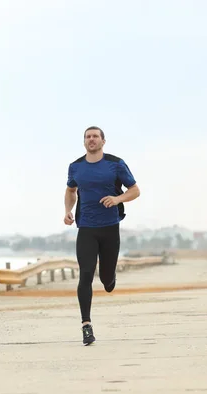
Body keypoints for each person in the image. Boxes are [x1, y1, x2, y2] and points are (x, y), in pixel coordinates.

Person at [64, 126, 140, 345]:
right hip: (86, 228)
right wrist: (67, 211)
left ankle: (110, 277)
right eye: (88, 137)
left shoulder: (115, 164)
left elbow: (135, 190)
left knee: (106, 280)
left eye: (95, 136)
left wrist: (117, 200)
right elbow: (71, 191)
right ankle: (86, 325)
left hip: (110, 228)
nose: (91, 140)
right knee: (85, 274)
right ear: (84, 142)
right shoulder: (76, 167)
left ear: (103, 141)